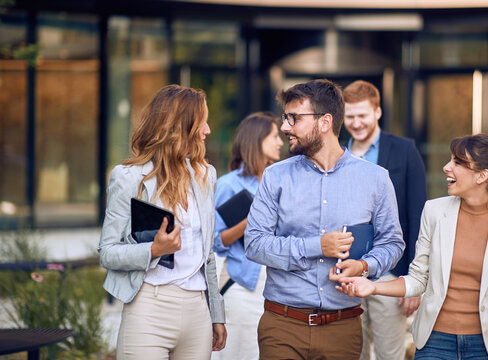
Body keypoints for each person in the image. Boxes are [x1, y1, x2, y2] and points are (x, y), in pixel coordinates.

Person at [334, 133, 488, 360]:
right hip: (434, 343)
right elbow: (418, 279)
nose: (446, 167)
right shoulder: (433, 211)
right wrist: (372, 286)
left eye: (458, 162)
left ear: (482, 175)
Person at [244, 79, 405, 360]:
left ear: (325, 122)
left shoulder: (376, 179)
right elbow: (255, 244)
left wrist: (365, 265)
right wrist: (318, 245)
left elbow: (392, 243)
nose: (285, 127)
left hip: (343, 328)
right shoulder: (275, 176)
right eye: (285, 118)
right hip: (282, 326)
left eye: (293, 118)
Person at [98, 84, 226, 360]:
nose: (208, 131)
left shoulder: (206, 176)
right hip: (148, 308)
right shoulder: (128, 177)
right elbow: (107, 252)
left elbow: (209, 254)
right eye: (202, 122)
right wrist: (153, 250)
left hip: (197, 311)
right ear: (181, 127)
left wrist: (217, 314)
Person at [343, 80, 426, 360]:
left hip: (393, 272)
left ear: (377, 112)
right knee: (354, 352)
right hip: (349, 272)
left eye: (362, 115)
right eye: (350, 116)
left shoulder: (404, 150)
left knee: (391, 353)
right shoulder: (337, 154)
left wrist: (415, 280)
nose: (356, 123)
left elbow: (417, 215)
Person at [212, 112, 284, 360]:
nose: (281, 142)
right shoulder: (227, 185)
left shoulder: (283, 180)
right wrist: (248, 222)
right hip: (243, 288)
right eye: (275, 136)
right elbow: (215, 242)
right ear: (257, 139)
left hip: (280, 288)